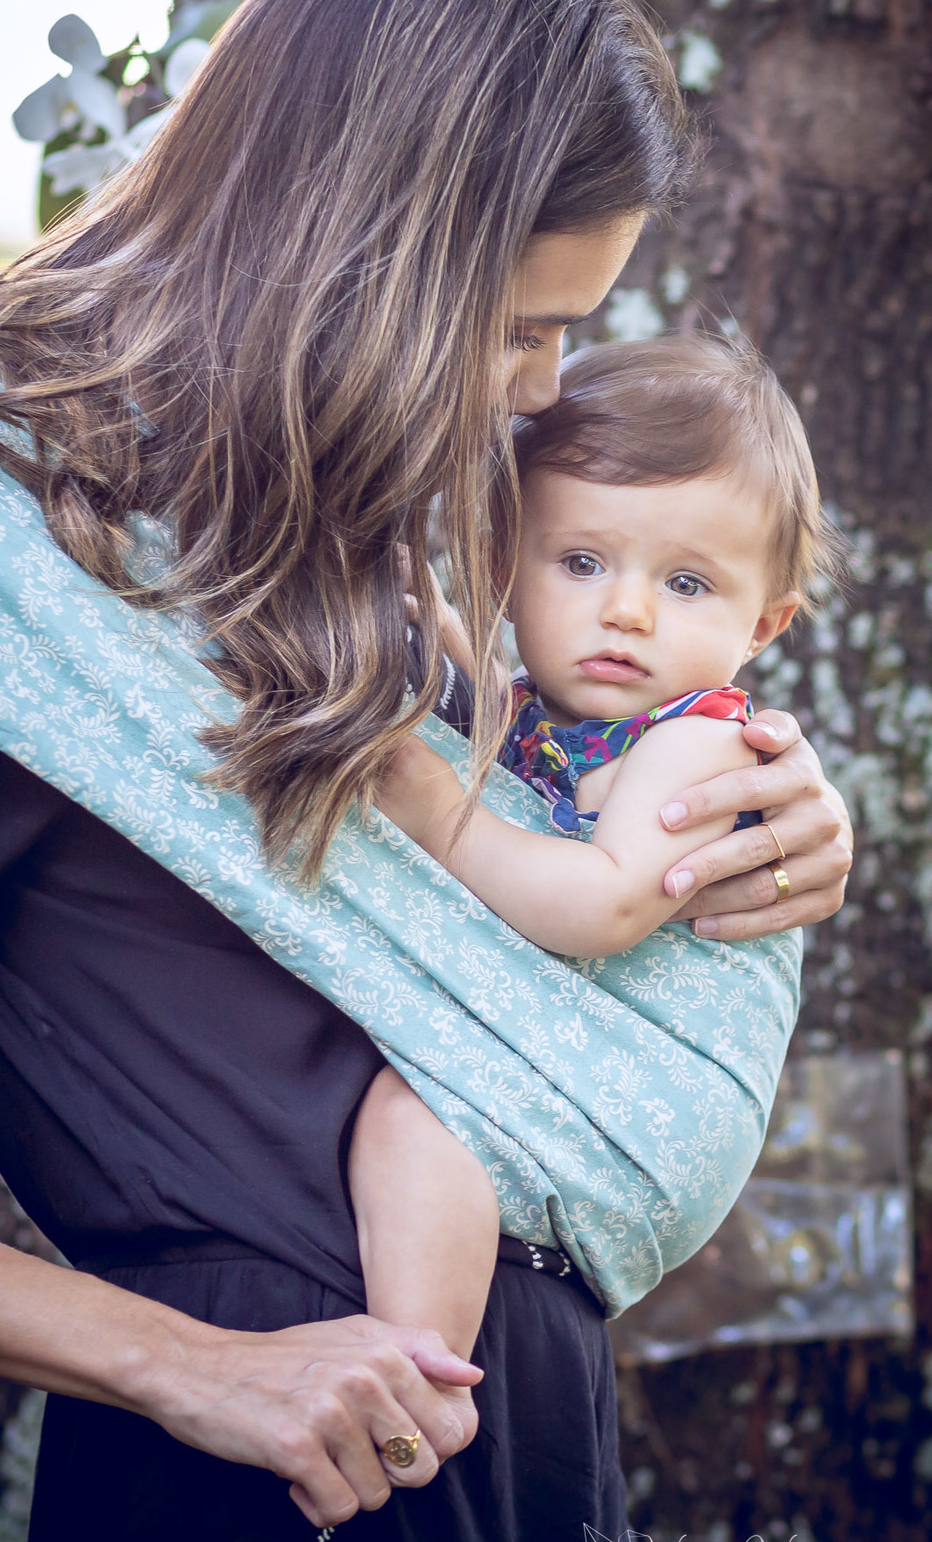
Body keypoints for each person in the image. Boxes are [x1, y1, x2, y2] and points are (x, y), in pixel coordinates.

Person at [0, 0, 852, 1542]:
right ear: (362, 255)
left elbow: (521, 873)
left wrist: (755, 818)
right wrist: (193, 1371)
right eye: (520, 329)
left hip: (529, 1475)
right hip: (279, 1490)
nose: (543, 395)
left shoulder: (361, 540)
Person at [352, 334, 842, 1365]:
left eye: (688, 584)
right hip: (585, 1057)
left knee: (418, 1118)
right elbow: (512, 738)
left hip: (658, 1104)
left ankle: (414, 1373)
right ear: (503, 564)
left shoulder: (699, 738)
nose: (625, 610)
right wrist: (442, 629)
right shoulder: (557, 705)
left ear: (766, 621)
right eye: (580, 562)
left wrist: (439, 809)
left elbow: (604, 904)